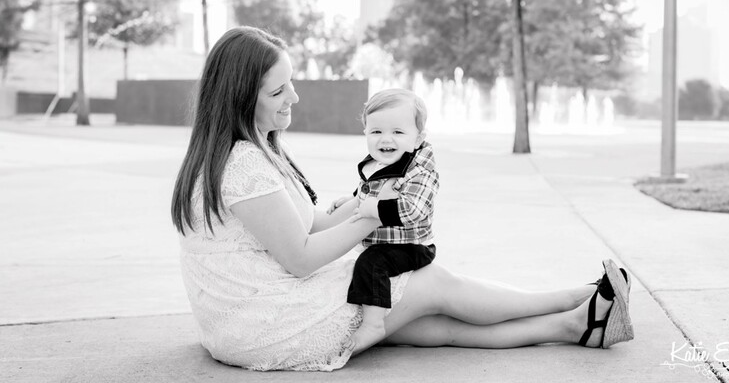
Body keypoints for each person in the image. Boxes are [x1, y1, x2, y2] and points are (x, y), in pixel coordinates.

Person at [171, 26, 634, 373]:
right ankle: (579, 297)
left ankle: (576, 324)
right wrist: (375, 213)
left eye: (291, 81)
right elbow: (301, 257)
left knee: (424, 320)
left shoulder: (258, 148)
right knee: (429, 283)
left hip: (261, 307)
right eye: (278, 90)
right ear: (238, 97)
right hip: (261, 323)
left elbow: (308, 224)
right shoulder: (243, 164)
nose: (295, 95)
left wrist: (359, 201)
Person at [332, 88, 439, 350]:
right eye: (376, 131)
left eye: (398, 132)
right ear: (366, 133)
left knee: (371, 263)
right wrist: (352, 200)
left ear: (417, 138)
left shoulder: (420, 171)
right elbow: (369, 189)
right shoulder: (378, 163)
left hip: (412, 246)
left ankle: (373, 324)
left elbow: (413, 210)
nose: (385, 139)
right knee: (357, 261)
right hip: (386, 242)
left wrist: (374, 209)